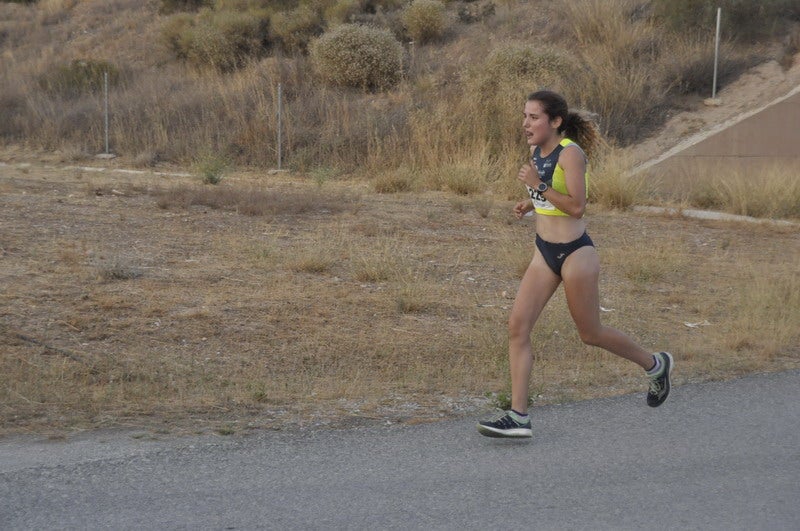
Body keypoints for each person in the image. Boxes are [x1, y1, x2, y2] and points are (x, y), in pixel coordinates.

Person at [477, 90, 673, 438]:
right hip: (544, 252)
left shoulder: (572, 155)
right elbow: (551, 195)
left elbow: (577, 207)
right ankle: (519, 416)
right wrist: (531, 202)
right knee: (517, 327)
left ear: (554, 122)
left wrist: (536, 186)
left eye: (533, 117)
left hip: (576, 254)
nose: (526, 123)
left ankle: (655, 365)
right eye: (524, 116)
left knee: (590, 333)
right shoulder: (536, 151)